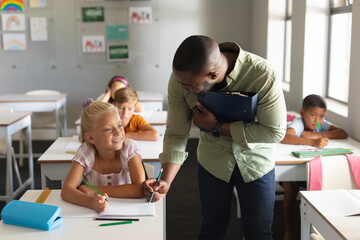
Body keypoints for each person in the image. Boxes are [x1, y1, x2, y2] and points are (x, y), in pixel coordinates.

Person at [142, 35, 287, 239]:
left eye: (190, 85)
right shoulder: (182, 79)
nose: (183, 88)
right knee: (212, 229)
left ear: (213, 74)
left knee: (259, 233)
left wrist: (218, 126)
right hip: (212, 162)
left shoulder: (261, 74)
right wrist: (165, 181)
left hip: (256, 163)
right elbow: (176, 133)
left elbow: (275, 131)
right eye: (181, 83)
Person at [280, 94, 348, 240]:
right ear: (303, 113)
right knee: (290, 186)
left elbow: (342, 132)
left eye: (322, 116)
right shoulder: (298, 123)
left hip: (313, 168)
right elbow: (285, 137)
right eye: (313, 115)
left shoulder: (320, 124)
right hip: (292, 168)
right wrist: (311, 142)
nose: (317, 120)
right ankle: (289, 231)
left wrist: (313, 135)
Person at [61, 99, 145, 212]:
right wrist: (90, 202)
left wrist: (95, 189)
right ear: (91, 138)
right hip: (96, 213)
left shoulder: (129, 148)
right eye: (108, 129)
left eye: (120, 125)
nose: (118, 132)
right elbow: (66, 190)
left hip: (128, 209)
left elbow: (139, 189)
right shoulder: (86, 152)